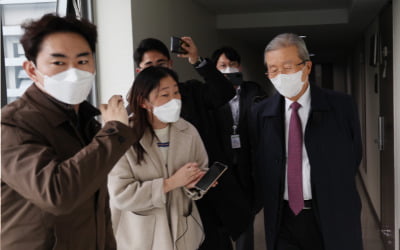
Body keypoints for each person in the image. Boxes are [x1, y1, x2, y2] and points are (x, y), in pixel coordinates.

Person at [1, 14, 135, 250]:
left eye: (83, 62)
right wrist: (114, 133)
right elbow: (57, 195)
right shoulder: (11, 125)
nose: (74, 73)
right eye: (59, 63)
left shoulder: (87, 124)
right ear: (31, 70)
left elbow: (99, 210)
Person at [134, 38, 252, 250]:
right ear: (139, 71)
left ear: (170, 65)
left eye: (161, 64)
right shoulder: (135, 112)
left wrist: (198, 61)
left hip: (207, 192)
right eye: (149, 66)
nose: (156, 71)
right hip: (167, 201)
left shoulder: (191, 92)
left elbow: (224, 92)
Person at [251, 33, 363, 250]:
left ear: (307, 67)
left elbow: (354, 155)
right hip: (283, 217)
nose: (280, 75)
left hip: (331, 213)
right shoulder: (260, 113)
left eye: (288, 66)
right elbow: (259, 162)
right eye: (273, 69)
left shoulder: (341, 106)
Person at [108, 66, 208, 250]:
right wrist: (170, 183)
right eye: (165, 95)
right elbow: (121, 195)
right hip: (141, 238)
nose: (175, 100)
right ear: (143, 101)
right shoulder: (122, 136)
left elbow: (202, 168)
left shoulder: (188, 131)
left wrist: (196, 184)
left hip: (184, 232)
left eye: (176, 92)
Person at [210, 46, 265, 250]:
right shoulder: (209, 94)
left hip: (246, 165)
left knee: (246, 215)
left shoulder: (253, 90)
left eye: (232, 65)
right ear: (215, 69)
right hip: (221, 166)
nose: (228, 69)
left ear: (239, 66)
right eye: (223, 65)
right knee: (222, 216)